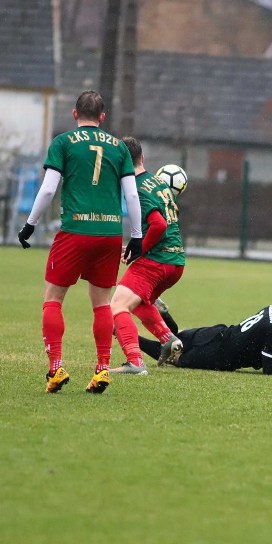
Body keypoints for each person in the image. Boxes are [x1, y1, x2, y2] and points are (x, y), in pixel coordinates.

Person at [17, 90, 143, 394]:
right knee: (102, 304)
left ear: (75, 114)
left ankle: (56, 368)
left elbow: (48, 190)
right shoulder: (118, 148)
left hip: (75, 231)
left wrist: (30, 224)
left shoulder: (62, 143)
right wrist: (136, 236)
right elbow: (132, 195)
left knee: (53, 298)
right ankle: (102, 369)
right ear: (102, 117)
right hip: (110, 234)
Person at [108, 137, 186, 380]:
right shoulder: (157, 181)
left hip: (157, 260)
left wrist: (139, 248)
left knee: (117, 306)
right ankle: (167, 340)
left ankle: (134, 361)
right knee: (139, 302)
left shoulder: (139, 188)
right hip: (176, 262)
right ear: (142, 158)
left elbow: (158, 224)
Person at [137, 293, 272, 377]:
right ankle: (123, 332)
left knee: (175, 337)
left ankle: (163, 313)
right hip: (217, 355)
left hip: (217, 333)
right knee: (174, 355)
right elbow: (269, 370)